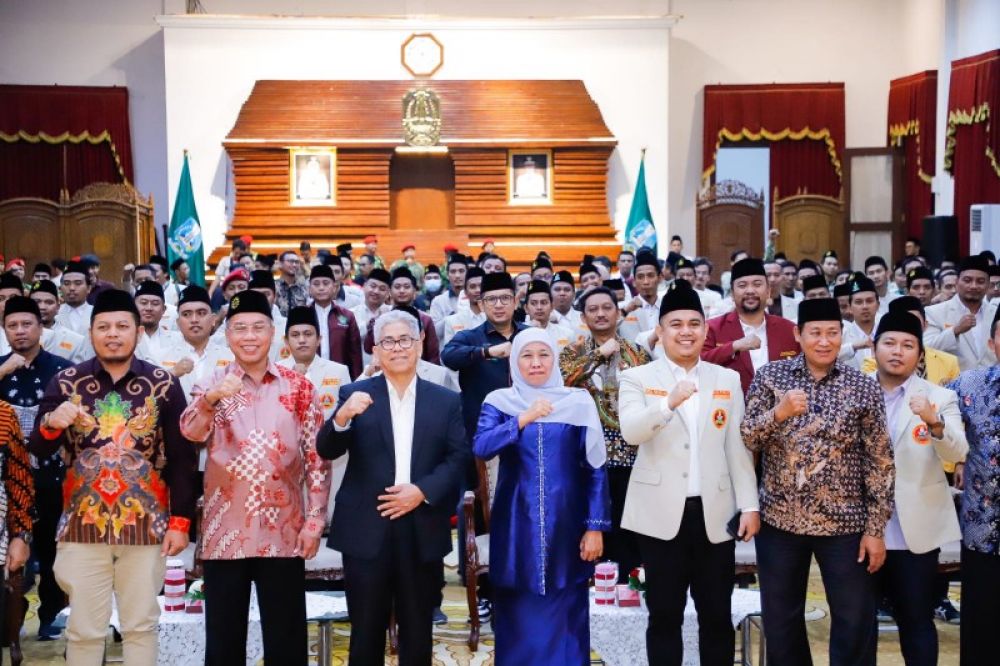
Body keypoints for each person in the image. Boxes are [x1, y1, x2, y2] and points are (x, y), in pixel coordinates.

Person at [30, 289, 197, 665]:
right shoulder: (66, 382)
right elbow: (37, 448)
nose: (113, 333)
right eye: (103, 327)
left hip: (145, 527)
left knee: (140, 626)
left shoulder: (164, 385)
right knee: (85, 630)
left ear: (138, 332)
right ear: (91, 334)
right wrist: (51, 425)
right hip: (81, 527)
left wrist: (181, 521)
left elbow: (183, 458)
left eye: (122, 326)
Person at [179, 290, 331, 666]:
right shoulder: (212, 383)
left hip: (284, 531)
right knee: (224, 641)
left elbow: (317, 458)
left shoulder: (298, 387)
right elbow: (190, 433)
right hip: (225, 531)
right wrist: (211, 398)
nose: (249, 336)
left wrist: (315, 521)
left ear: (273, 334)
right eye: (240, 328)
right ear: (227, 335)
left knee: (286, 638)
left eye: (258, 328)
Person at [741, 297, 894, 665]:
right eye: (815, 333)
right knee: (781, 620)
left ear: (842, 335)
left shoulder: (863, 386)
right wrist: (778, 414)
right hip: (781, 521)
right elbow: (747, 436)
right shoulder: (772, 377)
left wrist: (876, 528)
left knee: (854, 617)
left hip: (846, 524)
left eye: (832, 333)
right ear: (798, 334)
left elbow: (881, 460)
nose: (824, 341)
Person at [617, 280, 759, 665]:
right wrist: (667, 406)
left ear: (705, 330)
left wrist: (749, 504)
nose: (686, 331)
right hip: (659, 516)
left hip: (715, 514)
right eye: (675, 324)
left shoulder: (726, 380)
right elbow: (631, 431)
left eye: (694, 323)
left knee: (716, 615)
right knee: (664, 616)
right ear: (659, 332)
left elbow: (737, 447)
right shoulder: (638, 378)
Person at [317, 309, 468, 665]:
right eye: (388, 341)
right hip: (366, 528)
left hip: (422, 524)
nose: (397, 347)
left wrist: (421, 491)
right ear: (375, 349)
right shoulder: (354, 393)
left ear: (418, 345)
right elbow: (327, 449)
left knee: (418, 630)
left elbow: (459, 457)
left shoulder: (446, 400)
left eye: (405, 340)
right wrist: (341, 417)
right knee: (365, 629)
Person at [475, 327, 610, 665]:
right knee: (517, 605)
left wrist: (595, 527)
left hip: (567, 524)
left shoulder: (578, 402)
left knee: (567, 607)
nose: (536, 363)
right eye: (527, 356)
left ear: (554, 358)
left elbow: (595, 469)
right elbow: (481, 446)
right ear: (515, 361)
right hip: (516, 523)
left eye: (543, 355)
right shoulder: (499, 401)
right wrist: (523, 418)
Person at [868, 311, 967, 665]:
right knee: (858, 625)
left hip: (916, 531)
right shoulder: (854, 391)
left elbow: (958, 451)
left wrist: (934, 422)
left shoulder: (940, 397)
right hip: (861, 529)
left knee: (916, 621)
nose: (898, 351)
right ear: (874, 348)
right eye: (889, 343)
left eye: (908, 345)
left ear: (920, 355)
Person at [560, 287, 649, 582]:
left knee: (628, 532)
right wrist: (598, 354)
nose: (600, 313)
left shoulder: (638, 353)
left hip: (632, 456)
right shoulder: (572, 352)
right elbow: (563, 382)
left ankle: (628, 590)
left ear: (618, 312)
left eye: (606, 307)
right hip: (585, 459)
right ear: (583, 317)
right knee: (590, 533)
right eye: (593, 309)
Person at [0, 296, 65, 639]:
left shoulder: (62, 369)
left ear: (41, 328)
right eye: (13, 325)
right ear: (4, 329)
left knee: (53, 548)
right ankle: (10, 616)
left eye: (27, 324)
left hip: (52, 475)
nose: (20, 331)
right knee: (10, 551)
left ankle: (51, 615)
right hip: (7, 481)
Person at [948, 306, 1000, 665]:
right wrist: (960, 456)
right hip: (983, 528)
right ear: (993, 342)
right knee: (982, 632)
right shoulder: (969, 385)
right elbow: (934, 416)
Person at [701, 258, 800, 394]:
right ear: (732, 293)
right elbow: (699, 364)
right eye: (742, 286)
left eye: (757, 284)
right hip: (728, 410)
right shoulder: (713, 328)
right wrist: (734, 346)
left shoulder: (789, 329)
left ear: (768, 291)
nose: (750, 291)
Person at [925, 255, 998, 371]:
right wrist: (955, 330)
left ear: (988, 285)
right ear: (957, 282)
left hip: (992, 385)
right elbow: (927, 349)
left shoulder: (996, 313)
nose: (974, 286)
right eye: (967, 280)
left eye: (980, 281)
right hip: (952, 385)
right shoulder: (934, 312)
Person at [278, 306, 352, 420]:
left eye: (308, 334)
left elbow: (348, 416)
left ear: (318, 339)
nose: (302, 340)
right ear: (286, 342)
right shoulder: (275, 371)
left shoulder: (339, 371)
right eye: (295, 335)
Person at [363, 267, 441, 364]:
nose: (402, 290)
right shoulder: (381, 318)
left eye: (407, 286)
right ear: (390, 292)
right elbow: (368, 348)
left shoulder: (425, 320)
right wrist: (376, 322)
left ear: (415, 292)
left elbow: (433, 355)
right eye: (397, 287)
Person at [308, 264, 363, 379]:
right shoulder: (301, 315)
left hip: (339, 377)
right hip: (308, 376)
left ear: (334, 287)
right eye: (316, 284)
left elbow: (355, 355)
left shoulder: (347, 316)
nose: (321, 288)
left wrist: (356, 382)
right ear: (309, 289)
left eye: (326, 283)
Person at [30, 280, 88, 363]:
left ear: (58, 307)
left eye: (49, 302)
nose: (42, 307)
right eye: (36, 302)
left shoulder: (75, 340)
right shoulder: (16, 335)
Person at [442, 267, 487, 346]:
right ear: (465, 292)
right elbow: (449, 354)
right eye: (472, 287)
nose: (478, 290)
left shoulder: (496, 318)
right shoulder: (452, 321)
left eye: (481, 286)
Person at [430, 254, 468, 337]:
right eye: (453, 271)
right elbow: (435, 333)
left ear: (467, 273)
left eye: (461, 271)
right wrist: (453, 316)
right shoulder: (438, 301)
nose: (457, 275)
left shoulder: (475, 298)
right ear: (447, 275)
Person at [55, 261, 93, 336]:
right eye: (66, 283)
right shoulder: (54, 313)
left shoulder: (97, 313)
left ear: (88, 288)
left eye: (78, 283)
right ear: (60, 288)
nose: (72, 288)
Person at [275, 250, 308, 316]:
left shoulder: (304, 288)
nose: (294, 265)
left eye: (297, 262)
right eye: (290, 261)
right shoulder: (274, 286)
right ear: (281, 264)